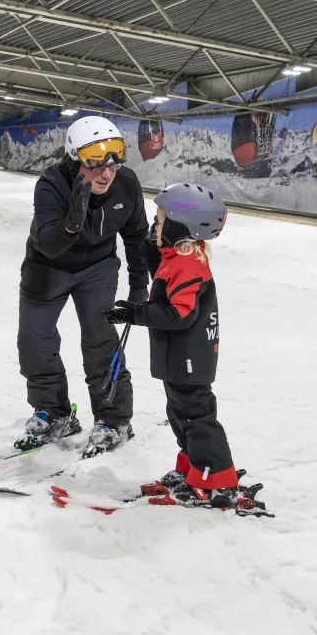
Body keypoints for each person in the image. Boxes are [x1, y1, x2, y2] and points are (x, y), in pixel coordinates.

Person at [15, 115, 160, 459]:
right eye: (95, 163)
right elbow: (49, 243)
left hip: (97, 267)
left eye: (113, 161)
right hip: (48, 266)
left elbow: (138, 237)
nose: (106, 172)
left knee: (99, 337)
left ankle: (114, 418)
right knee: (34, 338)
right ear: (74, 157)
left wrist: (140, 287)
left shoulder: (125, 183)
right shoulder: (51, 184)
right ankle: (53, 412)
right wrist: (75, 214)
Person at [103, 182, 240, 507]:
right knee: (181, 416)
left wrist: (136, 313)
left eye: (161, 222)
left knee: (196, 419)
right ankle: (194, 470)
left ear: (181, 227)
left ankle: (216, 482)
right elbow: (163, 277)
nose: (155, 226)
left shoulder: (187, 265)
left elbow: (179, 314)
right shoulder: (178, 258)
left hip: (190, 360)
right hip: (180, 360)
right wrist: (151, 246)